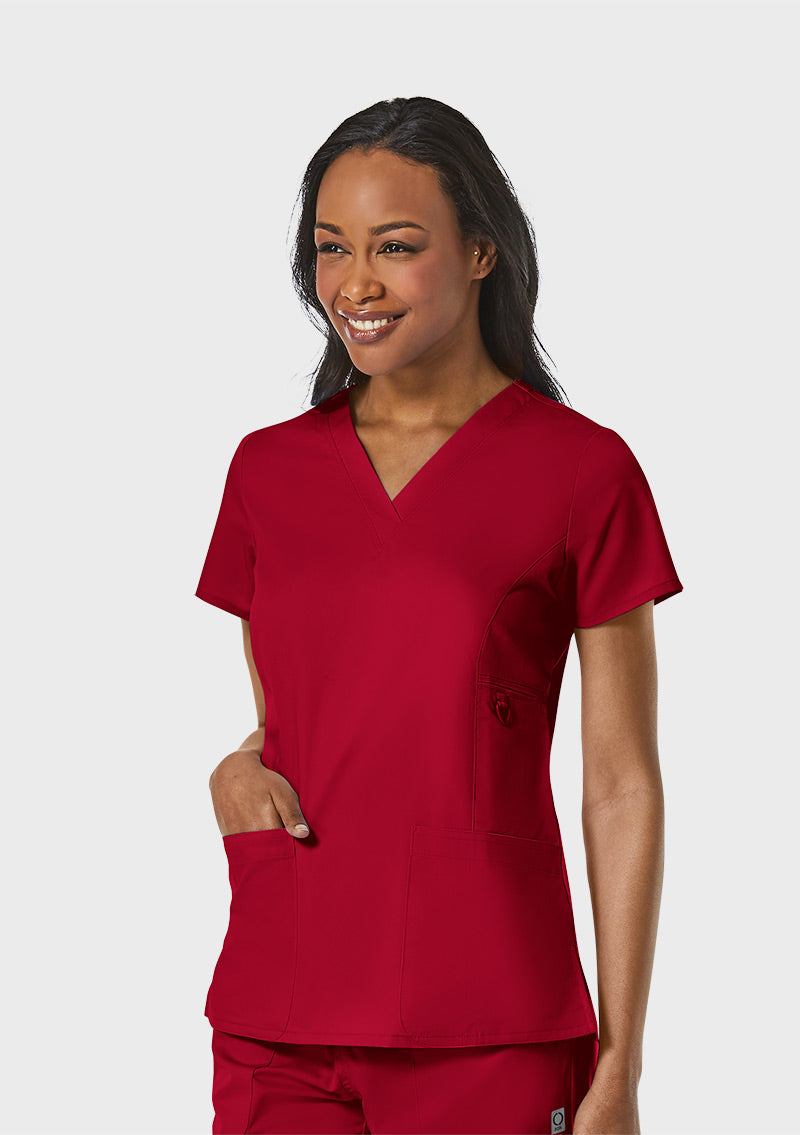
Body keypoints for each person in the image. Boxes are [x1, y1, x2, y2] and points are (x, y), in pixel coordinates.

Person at [195, 96, 684, 1135]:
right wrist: (238, 763)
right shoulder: (266, 471)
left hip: (488, 1017)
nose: (354, 284)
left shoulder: (583, 471)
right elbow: (308, 712)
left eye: (396, 245)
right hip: (281, 1009)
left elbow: (620, 782)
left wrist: (621, 1065)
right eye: (331, 247)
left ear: (481, 252)